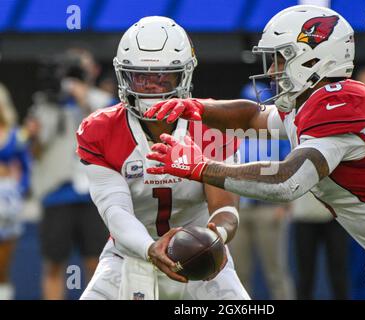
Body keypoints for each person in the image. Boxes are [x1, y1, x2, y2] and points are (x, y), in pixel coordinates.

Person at [145, 5, 365, 300]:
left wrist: (200, 167)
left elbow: (287, 181)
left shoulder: (339, 103)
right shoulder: (313, 103)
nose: (272, 71)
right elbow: (252, 117)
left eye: (279, 60)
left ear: (313, 58)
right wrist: (197, 108)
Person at [76, 16, 249, 300]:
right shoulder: (100, 130)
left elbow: (225, 207)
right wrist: (149, 248)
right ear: (123, 76)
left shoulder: (213, 123)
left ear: (184, 76)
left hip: (201, 256)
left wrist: (215, 237)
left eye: (162, 77)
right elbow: (115, 211)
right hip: (129, 253)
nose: (152, 86)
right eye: (140, 77)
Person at [25, 48, 112, 299]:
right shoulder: (46, 102)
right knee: (53, 264)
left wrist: (83, 100)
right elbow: (36, 149)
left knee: (98, 265)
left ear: (92, 71)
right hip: (56, 194)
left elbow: (108, 137)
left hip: (95, 196)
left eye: (80, 70)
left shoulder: (102, 101)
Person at [229, 82, 295, 299]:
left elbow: (291, 167)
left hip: (268, 207)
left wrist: (285, 205)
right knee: (239, 275)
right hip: (240, 208)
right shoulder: (232, 133)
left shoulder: (279, 131)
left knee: (276, 272)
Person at [0, 84, 31, 300]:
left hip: (8, 200)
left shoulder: (15, 135)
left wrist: (18, 190)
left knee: (3, 261)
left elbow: (27, 168)